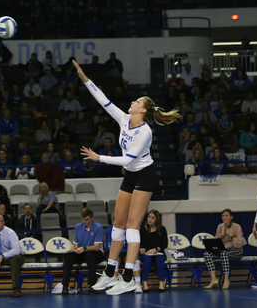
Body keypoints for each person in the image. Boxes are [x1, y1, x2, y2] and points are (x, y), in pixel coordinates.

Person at [74, 60, 182, 295]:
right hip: (131, 176)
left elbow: (128, 161)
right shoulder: (124, 119)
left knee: (133, 227)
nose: (133, 102)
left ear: (143, 110)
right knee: (117, 225)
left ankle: (129, 276)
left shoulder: (145, 131)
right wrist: (84, 77)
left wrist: (98, 157)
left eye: (138, 102)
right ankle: (111, 271)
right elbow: (102, 100)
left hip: (145, 175)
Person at [62, 208, 104, 295]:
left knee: (90, 256)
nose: (84, 222)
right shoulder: (78, 227)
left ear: (92, 218)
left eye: (87, 219)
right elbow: (76, 243)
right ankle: (65, 286)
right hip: (83, 252)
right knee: (68, 257)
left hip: (96, 253)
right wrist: (74, 247)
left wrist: (84, 248)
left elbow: (96, 247)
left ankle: (93, 286)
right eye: (83, 219)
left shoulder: (98, 227)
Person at [202, 209, 243, 290]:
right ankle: (213, 279)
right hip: (222, 251)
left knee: (224, 254)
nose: (224, 218)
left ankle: (226, 280)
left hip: (235, 251)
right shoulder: (220, 227)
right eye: (223, 216)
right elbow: (215, 243)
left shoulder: (237, 227)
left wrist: (231, 235)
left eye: (227, 216)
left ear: (231, 217)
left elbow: (239, 245)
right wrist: (220, 237)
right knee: (207, 254)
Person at [139, 210, 168, 292]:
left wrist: (155, 249)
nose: (150, 219)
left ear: (157, 220)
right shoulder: (142, 230)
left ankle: (161, 283)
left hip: (158, 253)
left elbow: (165, 244)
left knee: (159, 259)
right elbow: (140, 244)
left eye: (152, 218)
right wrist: (142, 249)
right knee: (147, 259)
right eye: (149, 217)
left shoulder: (162, 229)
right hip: (146, 254)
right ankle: (144, 284)